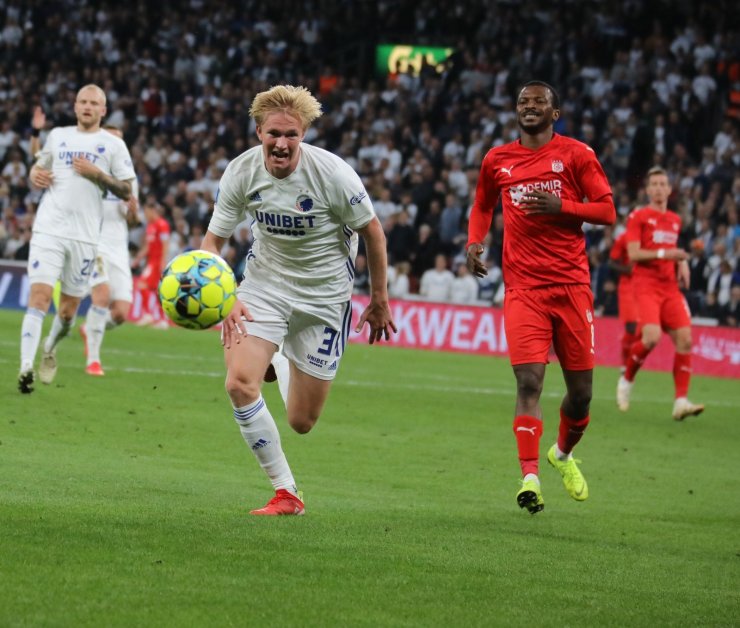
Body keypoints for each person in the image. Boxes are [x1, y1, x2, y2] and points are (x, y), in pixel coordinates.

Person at [201, 85, 396, 516]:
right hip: (263, 288)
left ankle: (280, 357)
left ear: (304, 134)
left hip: (324, 301)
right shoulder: (241, 172)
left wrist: (379, 298)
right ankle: (286, 492)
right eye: (274, 133)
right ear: (258, 132)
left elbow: (374, 233)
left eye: (291, 134)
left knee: (301, 422)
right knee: (238, 383)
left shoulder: (333, 175)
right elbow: (213, 242)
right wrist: (228, 296)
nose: (281, 143)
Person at [466, 81, 616, 514]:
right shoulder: (497, 159)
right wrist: (475, 241)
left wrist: (562, 207)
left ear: (555, 113)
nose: (529, 107)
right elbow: (482, 204)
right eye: (522, 102)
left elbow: (606, 210)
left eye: (538, 103)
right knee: (529, 381)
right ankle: (529, 475)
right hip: (524, 289)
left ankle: (562, 455)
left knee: (582, 395)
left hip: (571, 288)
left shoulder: (577, 155)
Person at [19, 84, 135, 393]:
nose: (87, 106)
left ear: (103, 110)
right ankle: (26, 368)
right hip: (49, 229)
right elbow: (39, 166)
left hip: (85, 238)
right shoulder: (59, 136)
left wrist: (98, 174)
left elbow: (126, 191)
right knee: (40, 296)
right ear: (75, 106)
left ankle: (49, 346)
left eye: (93, 103)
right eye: (82, 101)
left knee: (68, 312)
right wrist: (34, 174)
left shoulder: (112, 146)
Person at [616, 167, 704, 420]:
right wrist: (667, 255)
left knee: (685, 340)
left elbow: (671, 247)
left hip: (670, 288)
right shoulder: (638, 216)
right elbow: (633, 254)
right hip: (645, 286)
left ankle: (681, 402)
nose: (657, 188)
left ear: (669, 189)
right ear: (647, 189)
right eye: (653, 184)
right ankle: (627, 379)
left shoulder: (675, 220)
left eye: (662, 183)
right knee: (651, 337)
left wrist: (682, 262)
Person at [77, 125, 140, 375]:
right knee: (101, 295)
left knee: (121, 312)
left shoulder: (129, 180)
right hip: (94, 244)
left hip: (118, 248)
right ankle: (93, 360)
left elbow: (132, 220)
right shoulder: (88, 173)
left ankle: (89, 327)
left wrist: (133, 213)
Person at [131, 199, 170, 328]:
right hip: (151, 261)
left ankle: (150, 315)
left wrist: (163, 261)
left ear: (153, 211)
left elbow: (165, 244)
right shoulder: (150, 226)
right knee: (155, 290)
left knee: (144, 285)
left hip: (157, 262)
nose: (146, 215)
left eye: (147, 212)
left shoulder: (162, 225)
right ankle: (160, 320)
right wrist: (138, 259)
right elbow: (148, 246)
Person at [608, 229, 639, 371]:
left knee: (642, 329)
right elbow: (611, 262)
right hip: (628, 287)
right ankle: (625, 364)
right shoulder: (624, 237)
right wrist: (626, 269)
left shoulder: (653, 237)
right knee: (631, 326)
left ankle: (632, 361)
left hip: (647, 286)